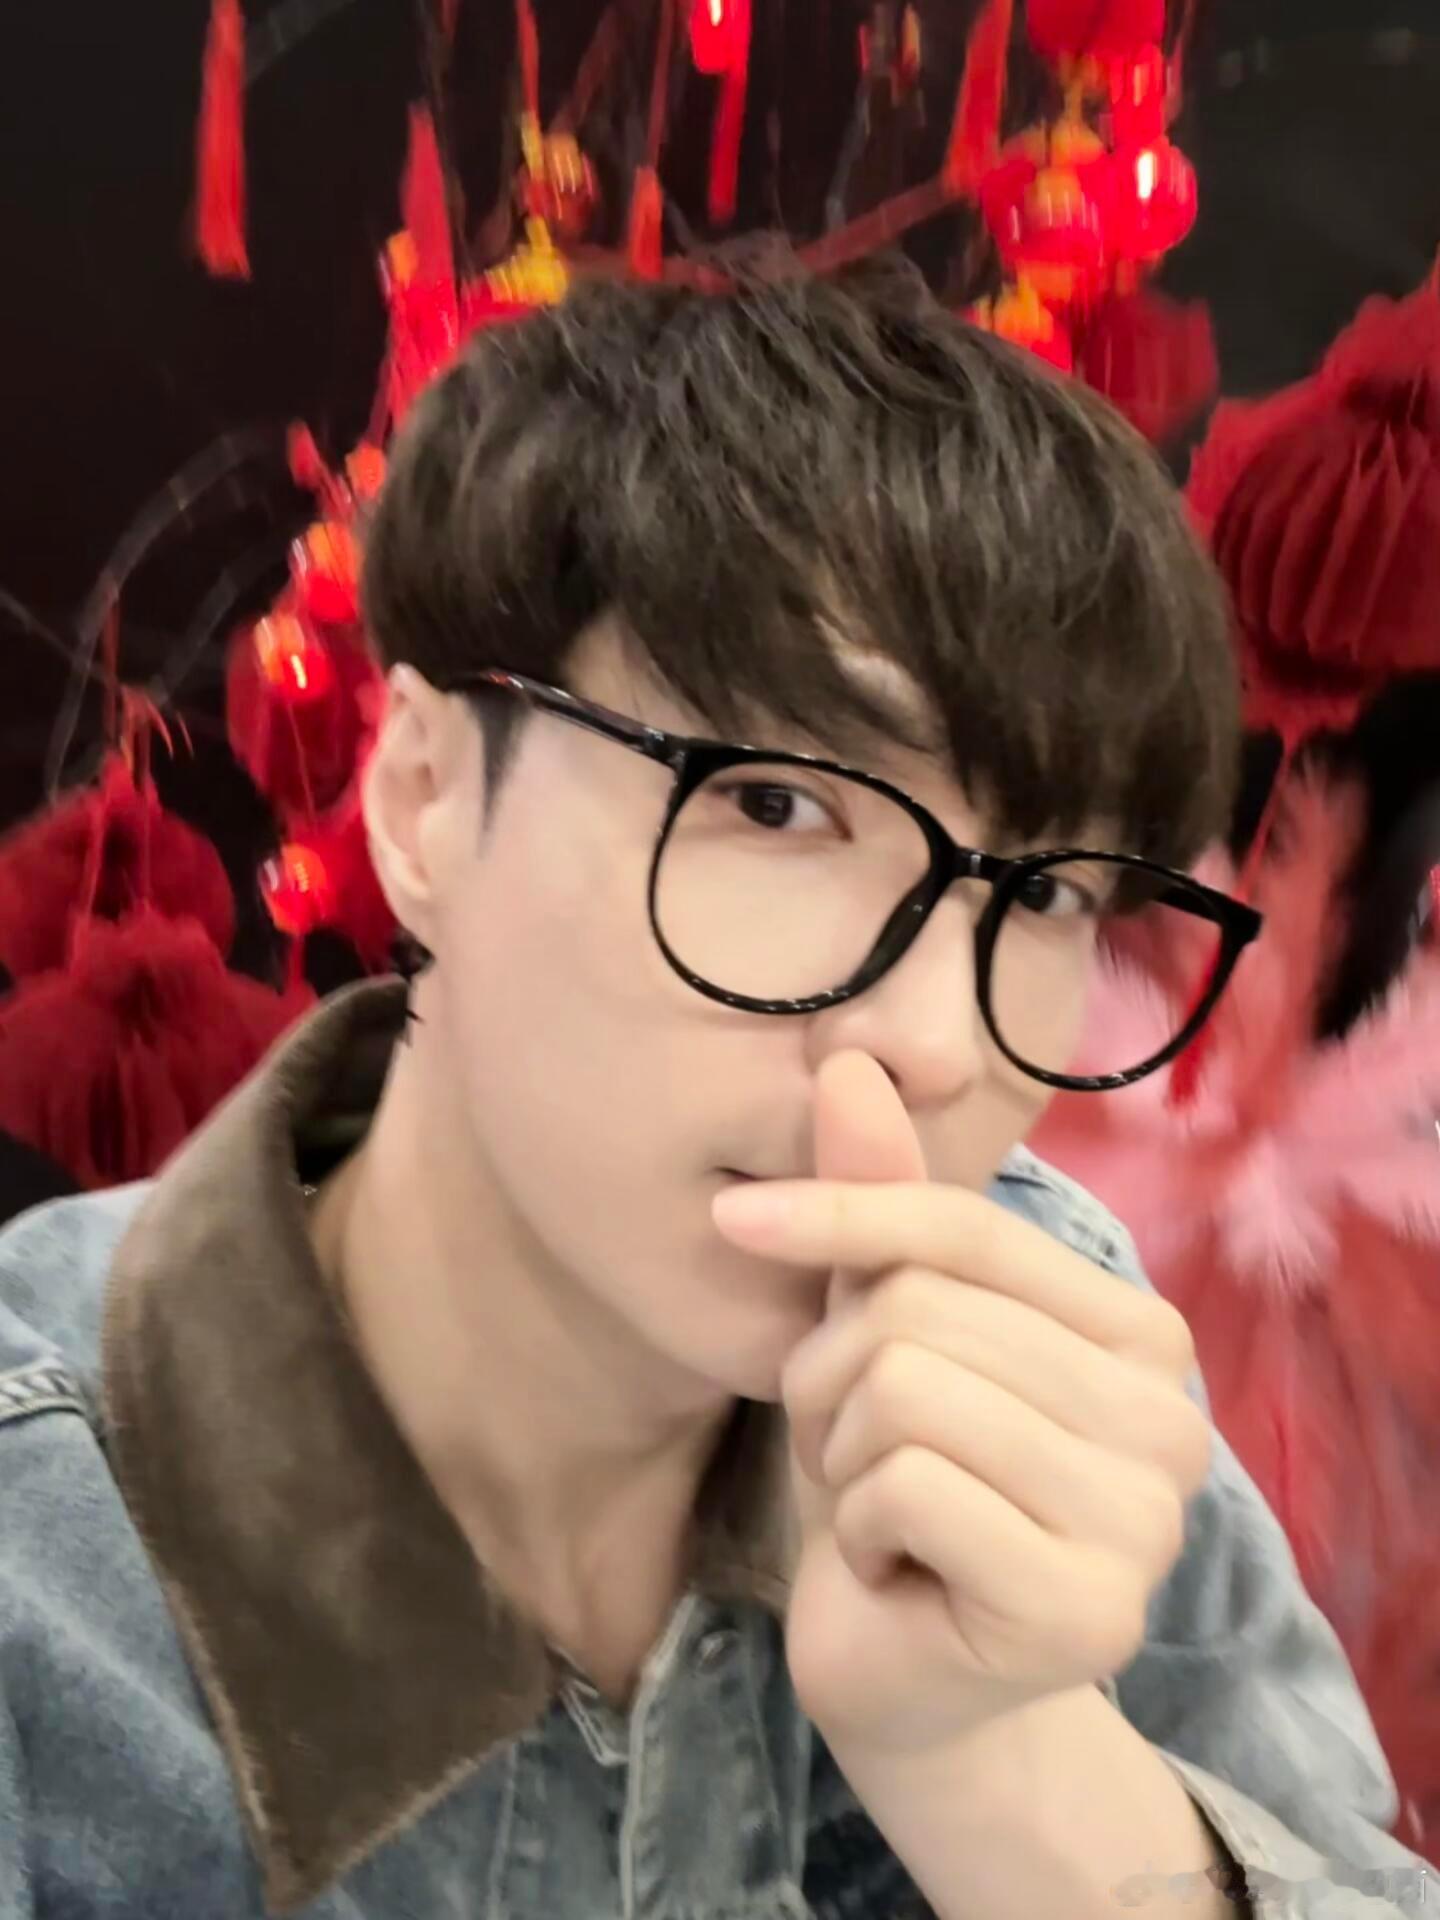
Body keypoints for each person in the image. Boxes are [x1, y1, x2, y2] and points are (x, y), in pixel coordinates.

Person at [0, 262, 1428, 1920]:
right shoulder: (45, 1555)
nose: (936, 1045)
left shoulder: (1033, 1328)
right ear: (425, 795)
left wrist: (1008, 1775)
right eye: (774, 807)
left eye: (1043, 893)